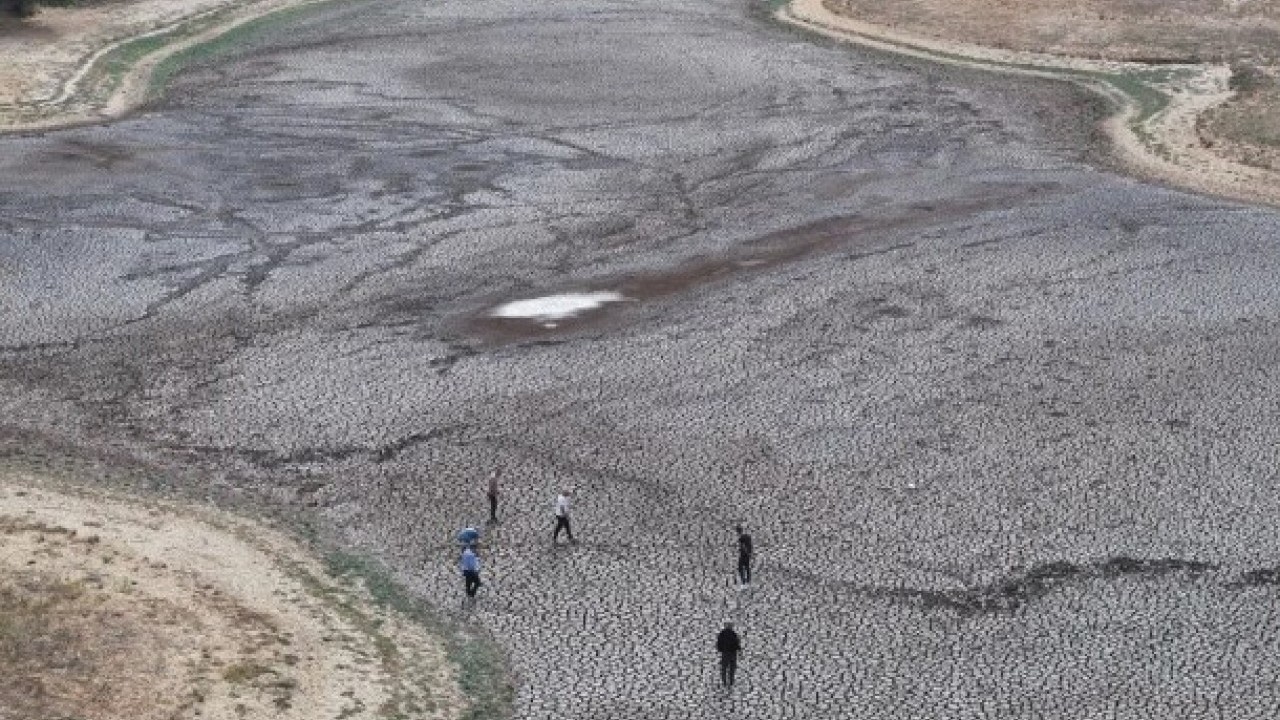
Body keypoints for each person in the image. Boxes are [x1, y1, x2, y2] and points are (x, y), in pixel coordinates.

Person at [716, 622, 741, 689]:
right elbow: (737, 643)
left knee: (724, 668)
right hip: (732, 653)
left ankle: (724, 681)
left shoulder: (722, 634)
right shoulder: (734, 634)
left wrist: (721, 650)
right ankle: (731, 681)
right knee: (732, 668)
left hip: (725, 653)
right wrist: (738, 649)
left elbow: (719, 644)